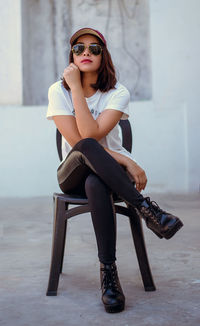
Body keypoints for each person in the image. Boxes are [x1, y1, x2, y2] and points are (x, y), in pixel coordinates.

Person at [46, 27, 183, 313]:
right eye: (78, 48)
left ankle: (109, 277)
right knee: (85, 148)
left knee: (97, 183)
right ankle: (148, 210)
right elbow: (81, 142)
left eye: (94, 48)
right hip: (71, 174)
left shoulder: (117, 93)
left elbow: (94, 132)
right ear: (71, 55)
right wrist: (127, 161)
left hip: (107, 180)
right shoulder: (58, 90)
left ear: (103, 55)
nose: (86, 53)